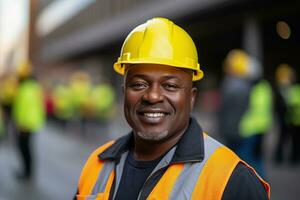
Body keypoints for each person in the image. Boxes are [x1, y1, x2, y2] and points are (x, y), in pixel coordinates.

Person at [75, 18, 270, 200]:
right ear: (124, 92)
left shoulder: (233, 180)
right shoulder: (96, 163)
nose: (152, 96)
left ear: (191, 97)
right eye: (139, 84)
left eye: (170, 86)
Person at [12, 62, 45, 180]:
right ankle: (27, 171)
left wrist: (22, 123)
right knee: (25, 147)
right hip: (27, 123)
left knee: (25, 148)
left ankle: (27, 173)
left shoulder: (27, 88)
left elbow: (27, 107)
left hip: (26, 124)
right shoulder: (31, 86)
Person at [218, 49, 252, 152]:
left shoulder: (229, 84)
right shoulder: (247, 85)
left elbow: (223, 108)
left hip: (230, 129)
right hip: (242, 128)